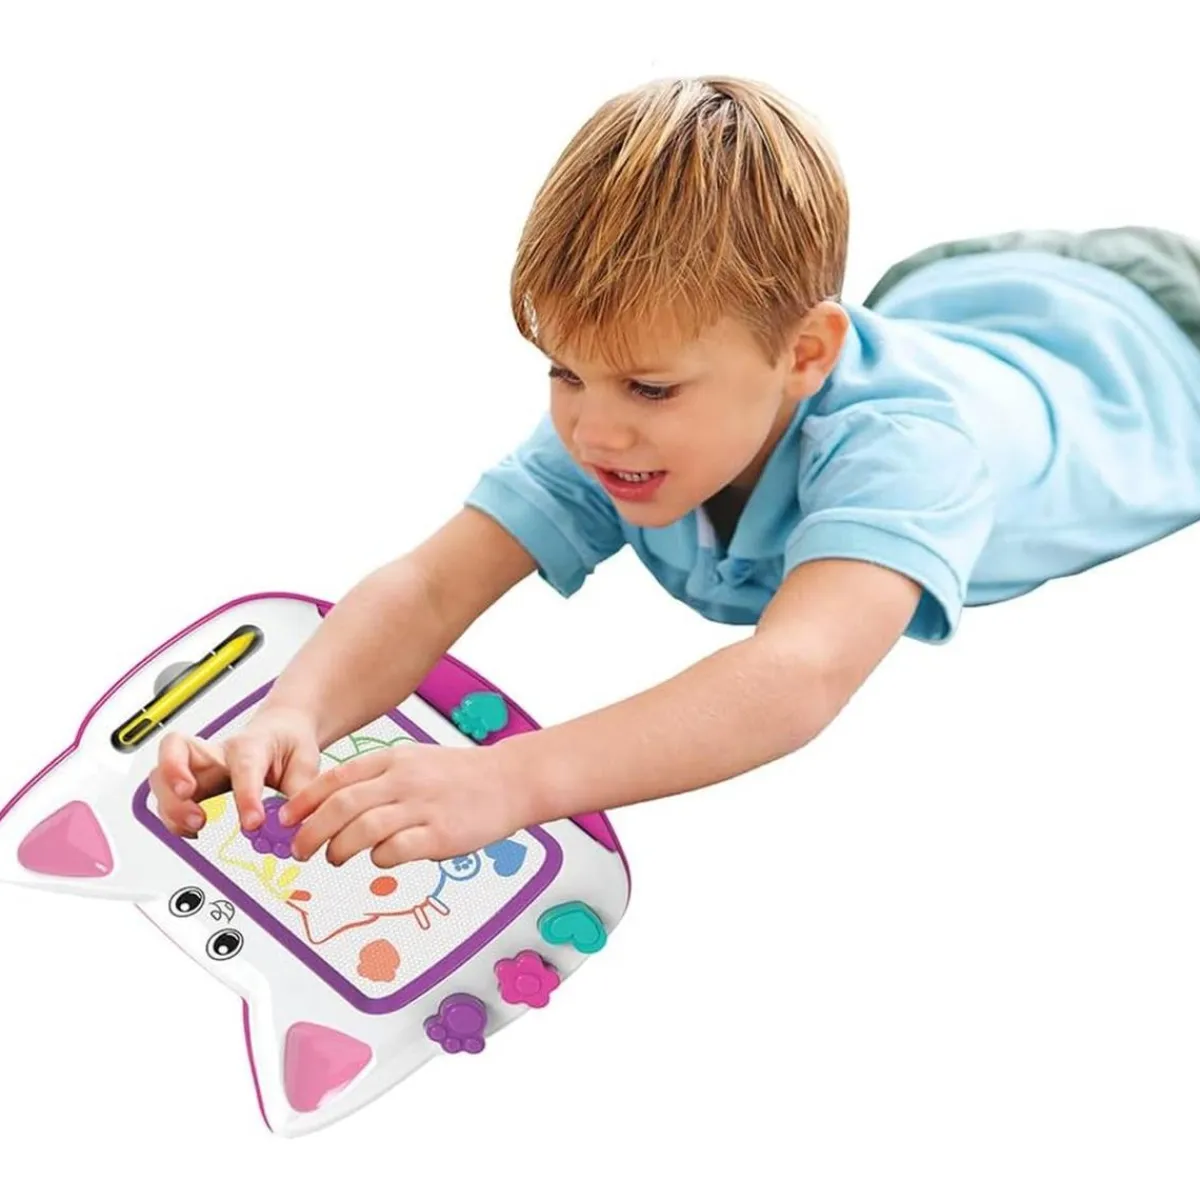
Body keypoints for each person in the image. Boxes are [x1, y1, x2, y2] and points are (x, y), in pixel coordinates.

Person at [149, 75, 1200, 869]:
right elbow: (431, 584)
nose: (593, 430)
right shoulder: (634, 409)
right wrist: (292, 713)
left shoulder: (910, 449)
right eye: (565, 372)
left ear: (806, 356)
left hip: (1163, 359)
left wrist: (511, 780)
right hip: (973, 292)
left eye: (648, 389)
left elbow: (798, 674)